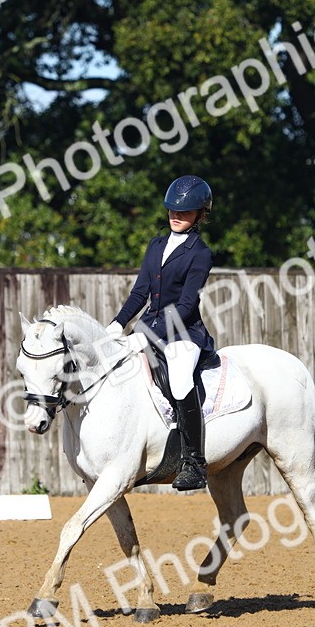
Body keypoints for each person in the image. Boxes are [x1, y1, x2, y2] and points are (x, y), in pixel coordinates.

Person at [107, 175, 219, 491]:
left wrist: (150, 332)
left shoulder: (200, 253)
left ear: (200, 215)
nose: (176, 216)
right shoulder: (156, 245)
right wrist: (116, 325)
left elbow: (186, 304)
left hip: (184, 334)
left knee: (182, 380)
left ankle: (195, 464)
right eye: (172, 210)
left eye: (184, 212)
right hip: (149, 327)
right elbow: (140, 292)